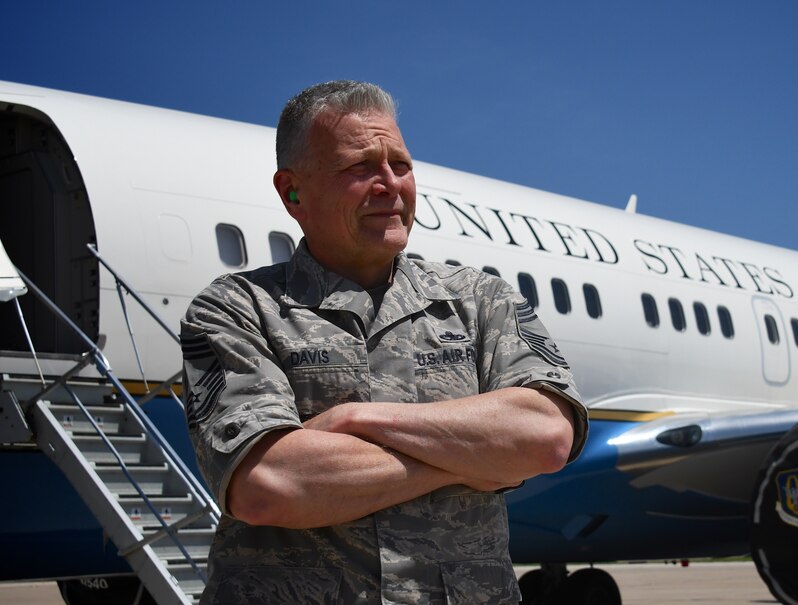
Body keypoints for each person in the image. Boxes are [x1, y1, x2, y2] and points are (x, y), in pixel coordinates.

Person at [181, 80, 587, 604]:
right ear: (292, 192)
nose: (390, 184)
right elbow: (269, 486)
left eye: (401, 164)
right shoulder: (236, 308)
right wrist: (478, 457)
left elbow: (546, 437)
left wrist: (355, 422)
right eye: (360, 167)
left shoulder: (482, 300)